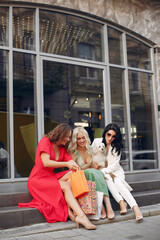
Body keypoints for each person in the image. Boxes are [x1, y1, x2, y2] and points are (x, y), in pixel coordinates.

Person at [18, 123, 96, 230]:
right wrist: (66, 164)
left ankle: (70, 210)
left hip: (50, 177)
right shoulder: (45, 141)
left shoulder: (62, 149)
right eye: (67, 136)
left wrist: (77, 167)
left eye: (69, 137)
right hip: (38, 179)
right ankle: (81, 217)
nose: (68, 139)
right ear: (60, 133)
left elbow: (72, 163)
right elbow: (46, 162)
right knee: (64, 185)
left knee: (73, 174)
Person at [92, 123, 143, 222]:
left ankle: (136, 208)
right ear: (105, 133)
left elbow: (114, 166)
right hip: (103, 173)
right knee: (107, 178)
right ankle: (121, 202)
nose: (110, 138)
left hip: (115, 172)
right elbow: (91, 153)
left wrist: (103, 170)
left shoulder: (116, 147)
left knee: (118, 183)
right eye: (108, 134)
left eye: (113, 136)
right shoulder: (97, 141)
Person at [68, 126, 115, 220]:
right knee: (94, 173)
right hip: (82, 177)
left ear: (86, 137)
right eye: (78, 138)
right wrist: (91, 169)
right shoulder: (73, 153)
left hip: (93, 176)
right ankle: (106, 208)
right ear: (75, 140)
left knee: (97, 173)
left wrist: (98, 166)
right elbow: (72, 170)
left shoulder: (91, 149)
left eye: (83, 137)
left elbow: (103, 162)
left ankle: (106, 207)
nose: (82, 140)